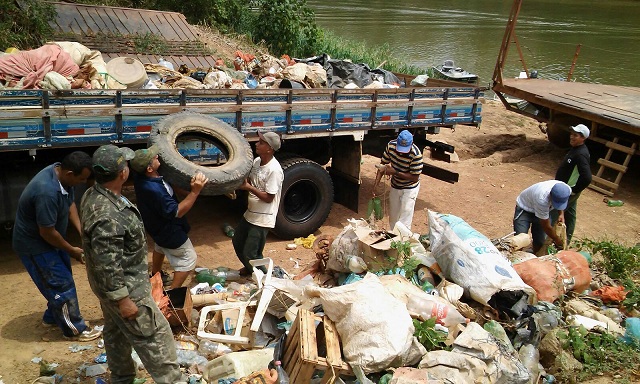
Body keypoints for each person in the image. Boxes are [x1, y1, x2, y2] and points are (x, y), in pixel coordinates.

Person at [80, 145, 181, 383]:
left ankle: (122, 378)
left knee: (116, 334)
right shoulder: (109, 214)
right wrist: (123, 300)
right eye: (125, 164)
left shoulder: (93, 195)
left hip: (109, 289)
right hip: (127, 291)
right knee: (156, 338)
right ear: (122, 172)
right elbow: (107, 262)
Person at [12, 151, 102, 342]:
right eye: (82, 179)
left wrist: (82, 232)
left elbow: (70, 206)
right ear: (70, 174)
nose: (82, 182)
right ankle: (75, 330)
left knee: (62, 277)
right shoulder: (46, 191)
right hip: (35, 245)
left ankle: (52, 317)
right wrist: (72, 250)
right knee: (60, 283)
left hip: (51, 239)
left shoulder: (61, 176)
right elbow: (46, 232)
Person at [130, 145, 208, 289]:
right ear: (149, 169)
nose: (157, 156)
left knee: (160, 247)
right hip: (169, 230)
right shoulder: (155, 190)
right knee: (188, 259)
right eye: (154, 158)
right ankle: (172, 292)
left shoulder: (142, 177)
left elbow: (170, 186)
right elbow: (177, 212)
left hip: (156, 226)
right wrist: (195, 192)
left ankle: (155, 276)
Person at [233, 131, 284, 276]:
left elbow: (268, 198)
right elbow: (248, 180)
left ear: (270, 148)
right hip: (250, 213)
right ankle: (251, 269)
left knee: (252, 253)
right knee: (238, 242)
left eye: (261, 142)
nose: (256, 144)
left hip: (263, 218)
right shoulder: (256, 162)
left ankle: (266, 279)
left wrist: (248, 188)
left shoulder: (274, 170)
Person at [373, 130, 423, 230]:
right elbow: (382, 165)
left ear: (411, 144)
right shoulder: (391, 146)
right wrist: (376, 185)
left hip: (410, 187)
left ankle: (402, 242)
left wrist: (395, 172)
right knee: (393, 217)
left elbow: (414, 178)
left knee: (405, 219)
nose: (401, 152)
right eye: (400, 148)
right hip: (395, 185)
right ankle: (393, 240)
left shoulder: (416, 154)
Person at [551, 123, 592, 243]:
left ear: (583, 138)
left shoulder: (580, 154)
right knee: (570, 215)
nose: (572, 137)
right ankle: (566, 241)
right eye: (572, 134)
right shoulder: (575, 149)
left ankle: (548, 242)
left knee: (554, 214)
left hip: (567, 191)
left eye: (576, 135)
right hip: (567, 190)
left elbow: (587, 177)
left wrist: (573, 190)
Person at [513, 180, 572, 254]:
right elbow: (546, 226)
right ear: (550, 195)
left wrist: (561, 214)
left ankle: (536, 255)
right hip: (525, 208)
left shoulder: (567, 190)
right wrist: (557, 240)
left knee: (540, 242)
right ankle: (516, 261)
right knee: (519, 239)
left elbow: (562, 201)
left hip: (542, 210)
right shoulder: (542, 198)